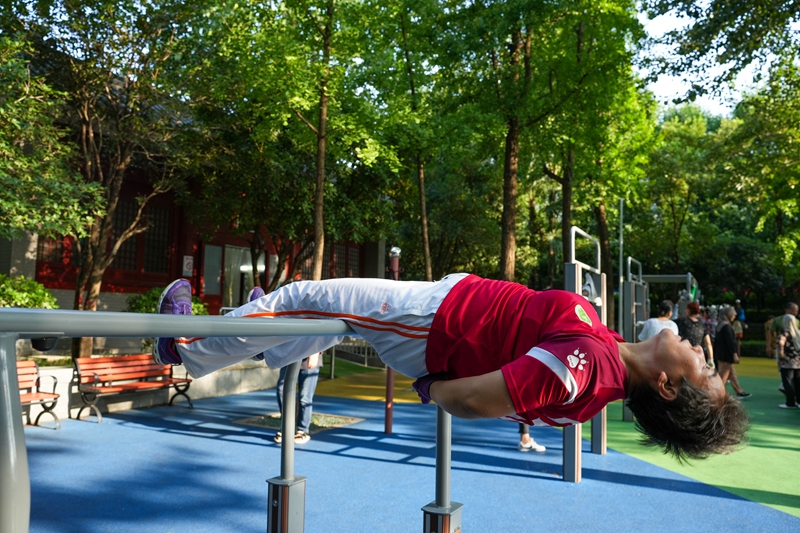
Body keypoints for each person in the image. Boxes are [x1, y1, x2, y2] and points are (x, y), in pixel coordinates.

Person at [153, 274, 748, 462]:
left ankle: (181, 345)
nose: (702, 351)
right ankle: (245, 330)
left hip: (433, 323)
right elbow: (663, 331)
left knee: (301, 298)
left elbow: (474, 401)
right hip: (442, 307)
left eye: (702, 369)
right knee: (306, 318)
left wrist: (433, 384)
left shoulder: (586, 365)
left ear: (667, 385)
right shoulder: (616, 353)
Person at [274, 352, 321, 444]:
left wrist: (316, 352)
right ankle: (287, 426)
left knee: (304, 397)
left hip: (309, 355)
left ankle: (302, 430)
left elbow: (321, 338)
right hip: (290, 357)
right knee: (282, 390)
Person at [713, 306, 751, 398]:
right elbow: (730, 342)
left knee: (731, 374)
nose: (734, 317)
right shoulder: (727, 326)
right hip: (726, 355)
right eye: (733, 315)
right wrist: (735, 354)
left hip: (720, 354)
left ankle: (739, 391)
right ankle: (716, 393)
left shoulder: (720, 325)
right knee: (723, 375)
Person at [776, 314, 800, 409]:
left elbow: (780, 344)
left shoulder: (784, 333)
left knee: (788, 382)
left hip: (787, 363)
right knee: (798, 382)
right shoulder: (798, 333)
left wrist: (782, 355)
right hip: (798, 362)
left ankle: (790, 403)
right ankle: (799, 401)